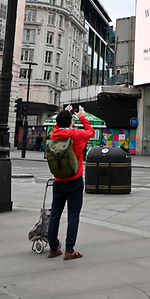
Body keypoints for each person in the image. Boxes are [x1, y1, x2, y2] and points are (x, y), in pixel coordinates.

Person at [46, 106, 95, 260]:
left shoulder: (53, 135)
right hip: (74, 179)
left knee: (55, 213)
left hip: (58, 180)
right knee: (73, 214)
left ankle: (53, 247)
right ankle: (69, 250)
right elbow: (91, 132)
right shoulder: (77, 135)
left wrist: (62, 114)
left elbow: (57, 129)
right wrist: (82, 117)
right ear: (71, 122)